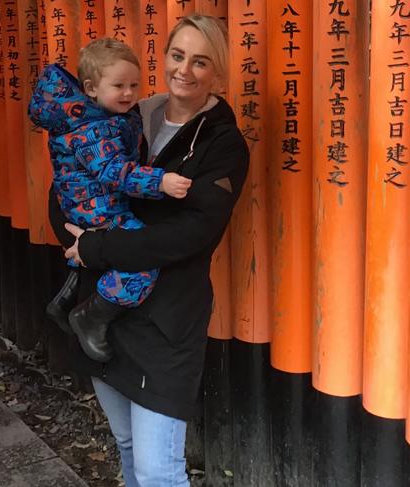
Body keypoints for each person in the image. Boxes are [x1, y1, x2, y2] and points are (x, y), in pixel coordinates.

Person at [59, 15, 249, 487]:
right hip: (104, 312)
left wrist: (98, 245)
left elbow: (190, 235)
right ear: (163, 57)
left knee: (158, 470)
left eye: (200, 61)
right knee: (125, 447)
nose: (185, 70)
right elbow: (68, 186)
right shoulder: (129, 113)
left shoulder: (223, 145)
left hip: (166, 320)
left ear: (217, 73)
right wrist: (77, 240)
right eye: (178, 55)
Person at [28, 38, 192, 362]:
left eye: (134, 84)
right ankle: (91, 317)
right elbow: (114, 171)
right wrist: (161, 181)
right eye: (119, 86)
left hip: (92, 201)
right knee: (142, 258)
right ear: (90, 88)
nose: (129, 93)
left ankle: (67, 296)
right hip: (94, 206)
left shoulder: (103, 115)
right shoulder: (92, 129)